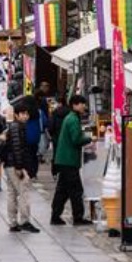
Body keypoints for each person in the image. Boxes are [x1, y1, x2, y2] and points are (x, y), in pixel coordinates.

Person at [50, 95, 93, 226]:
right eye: (82, 104)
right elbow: (76, 139)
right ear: (74, 105)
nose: (84, 106)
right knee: (76, 190)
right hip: (69, 160)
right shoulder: (73, 119)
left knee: (62, 190)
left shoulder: (71, 117)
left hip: (63, 159)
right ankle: (78, 217)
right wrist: (90, 138)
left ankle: (55, 216)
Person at [3, 102, 40, 233]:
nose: (26, 116)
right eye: (23, 114)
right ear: (17, 115)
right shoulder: (16, 127)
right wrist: (19, 167)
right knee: (23, 192)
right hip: (15, 165)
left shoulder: (14, 126)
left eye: (27, 114)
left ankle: (13, 223)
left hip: (9, 164)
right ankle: (24, 221)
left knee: (12, 193)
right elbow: (17, 148)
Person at [23, 95, 47, 179]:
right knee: (34, 155)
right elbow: (45, 122)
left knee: (27, 155)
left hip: (25, 136)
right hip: (36, 137)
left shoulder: (24, 113)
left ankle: (28, 172)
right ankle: (34, 173)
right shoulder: (39, 112)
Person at [48, 97, 70, 176]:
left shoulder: (55, 113)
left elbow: (50, 126)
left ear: (60, 103)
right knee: (66, 154)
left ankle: (55, 172)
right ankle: (65, 172)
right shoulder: (69, 113)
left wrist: (52, 135)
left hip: (56, 137)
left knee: (56, 155)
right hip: (67, 138)